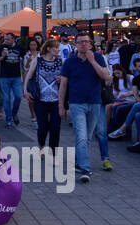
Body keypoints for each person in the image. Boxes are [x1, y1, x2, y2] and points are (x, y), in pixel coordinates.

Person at [59, 33, 112, 182]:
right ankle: (85, 168)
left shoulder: (99, 58)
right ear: (75, 44)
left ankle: (78, 161)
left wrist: (92, 61)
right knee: (81, 136)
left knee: (87, 137)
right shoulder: (70, 62)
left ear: (91, 44)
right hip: (76, 103)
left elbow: (106, 77)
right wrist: (61, 106)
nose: (84, 44)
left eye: (86, 42)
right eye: (80, 42)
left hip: (95, 102)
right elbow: (63, 85)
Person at [23, 37, 64, 151]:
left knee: (55, 128)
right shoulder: (38, 60)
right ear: (49, 48)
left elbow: (65, 77)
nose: (58, 50)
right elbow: (29, 75)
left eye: (58, 48)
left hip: (56, 99)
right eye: (56, 48)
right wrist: (25, 90)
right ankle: (41, 145)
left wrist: (61, 78)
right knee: (43, 127)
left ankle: (53, 153)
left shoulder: (60, 61)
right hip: (40, 99)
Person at [0, 32, 25, 127]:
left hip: (17, 77)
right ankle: (8, 120)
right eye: (5, 39)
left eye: (8, 39)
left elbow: (25, 59)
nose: (6, 41)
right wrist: (2, 57)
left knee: (18, 96)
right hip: (4, 77)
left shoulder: (19, 48)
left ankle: (14, 113)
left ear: (13, 39)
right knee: (6, 99)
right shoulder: (1, 48)